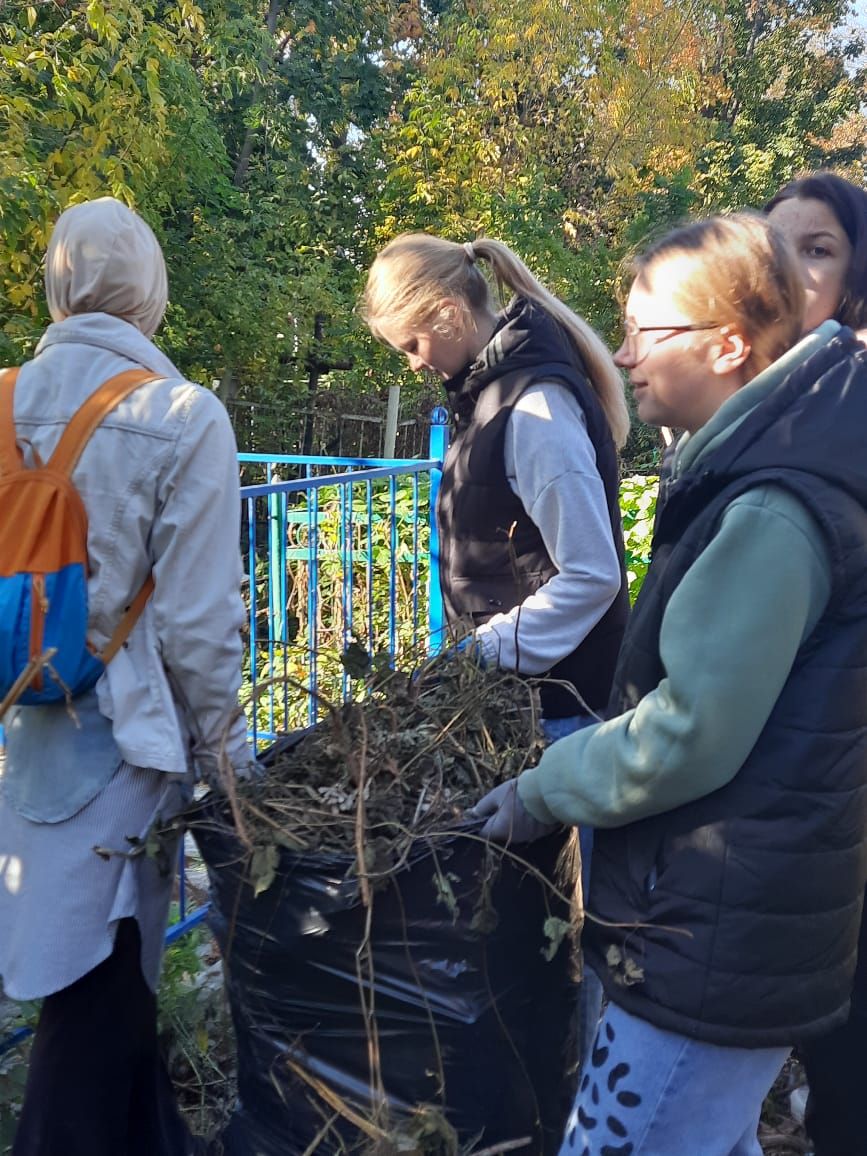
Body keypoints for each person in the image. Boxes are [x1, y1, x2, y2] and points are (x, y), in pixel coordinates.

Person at [474, 211, 867, 1155]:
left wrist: (541, 788)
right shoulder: (774, 460)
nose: (621, 353)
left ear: (728, 345)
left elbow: (689, 731)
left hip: (714, 933)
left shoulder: (773, 505)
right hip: (725, 913)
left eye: (646, 333)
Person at [0, 197, 255, 1156]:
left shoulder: (4, 395)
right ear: (148, 292)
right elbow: (197, 621)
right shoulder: (182, 415)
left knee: (100, 988)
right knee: (99, 998)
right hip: (128, 740)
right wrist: (232, 762)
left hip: (29, 719)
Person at [362, 234, 630, 740]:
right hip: (526, 702)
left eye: (413, 346)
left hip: (564, 705)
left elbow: (593, 576)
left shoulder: (535, 409)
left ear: (448, 312)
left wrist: (479, 652)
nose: (414, 364)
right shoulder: (487, 398)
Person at [764, 171, 867, 1156]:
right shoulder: (767, 394)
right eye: (777, 242)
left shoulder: (848, 402)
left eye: (821, 248)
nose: (792, 265)